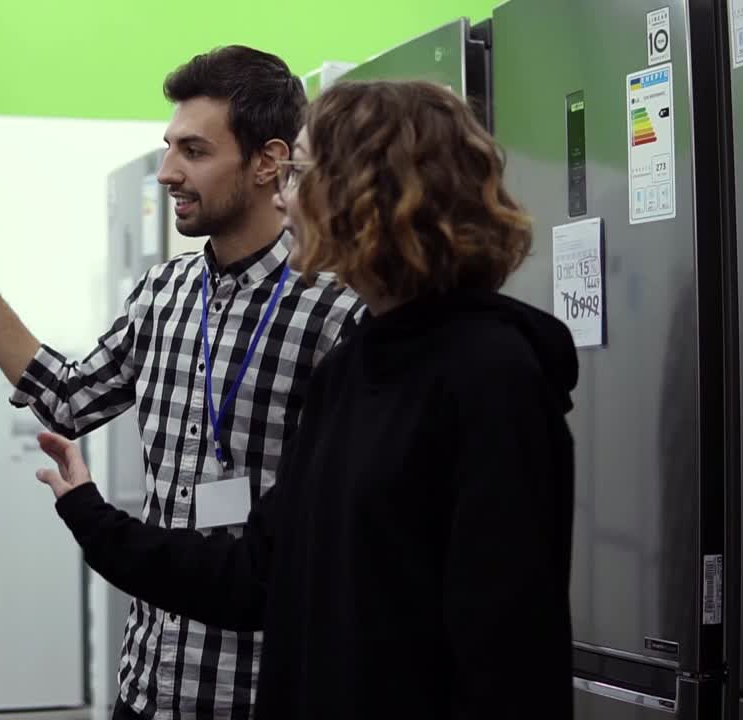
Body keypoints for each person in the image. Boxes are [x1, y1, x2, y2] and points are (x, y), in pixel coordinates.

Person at [34, 80, 578, 720]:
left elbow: (506, 655)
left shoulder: (493, 376)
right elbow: (258, 574)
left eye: (297, 173)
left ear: (369, 193)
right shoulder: (351, 371)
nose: (281, 197)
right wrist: (92, 516)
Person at [0, 45, 362, 720]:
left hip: (256, 690)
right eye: (169, 147)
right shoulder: (163, 292)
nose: (168, 172)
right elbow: (68, 398)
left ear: (268, 161)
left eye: (194, 152)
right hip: (149, 681)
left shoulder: (336, 308)